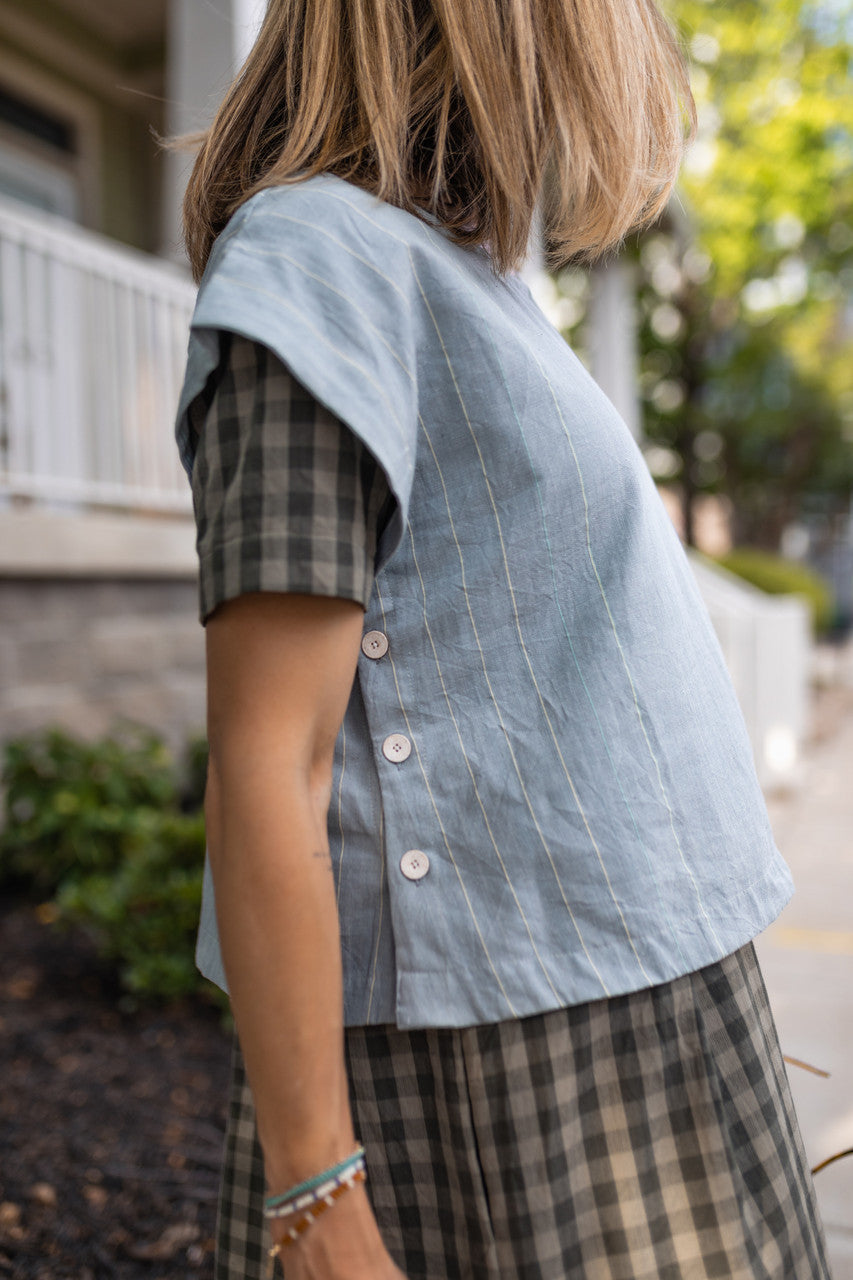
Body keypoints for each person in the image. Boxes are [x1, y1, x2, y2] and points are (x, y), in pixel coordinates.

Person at [173, 2, 832, 1277]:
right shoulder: (320, 258)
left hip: (626, 1004)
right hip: (520, 1052)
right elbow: (270, 760)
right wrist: (316, 1199)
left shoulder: (461, 277)